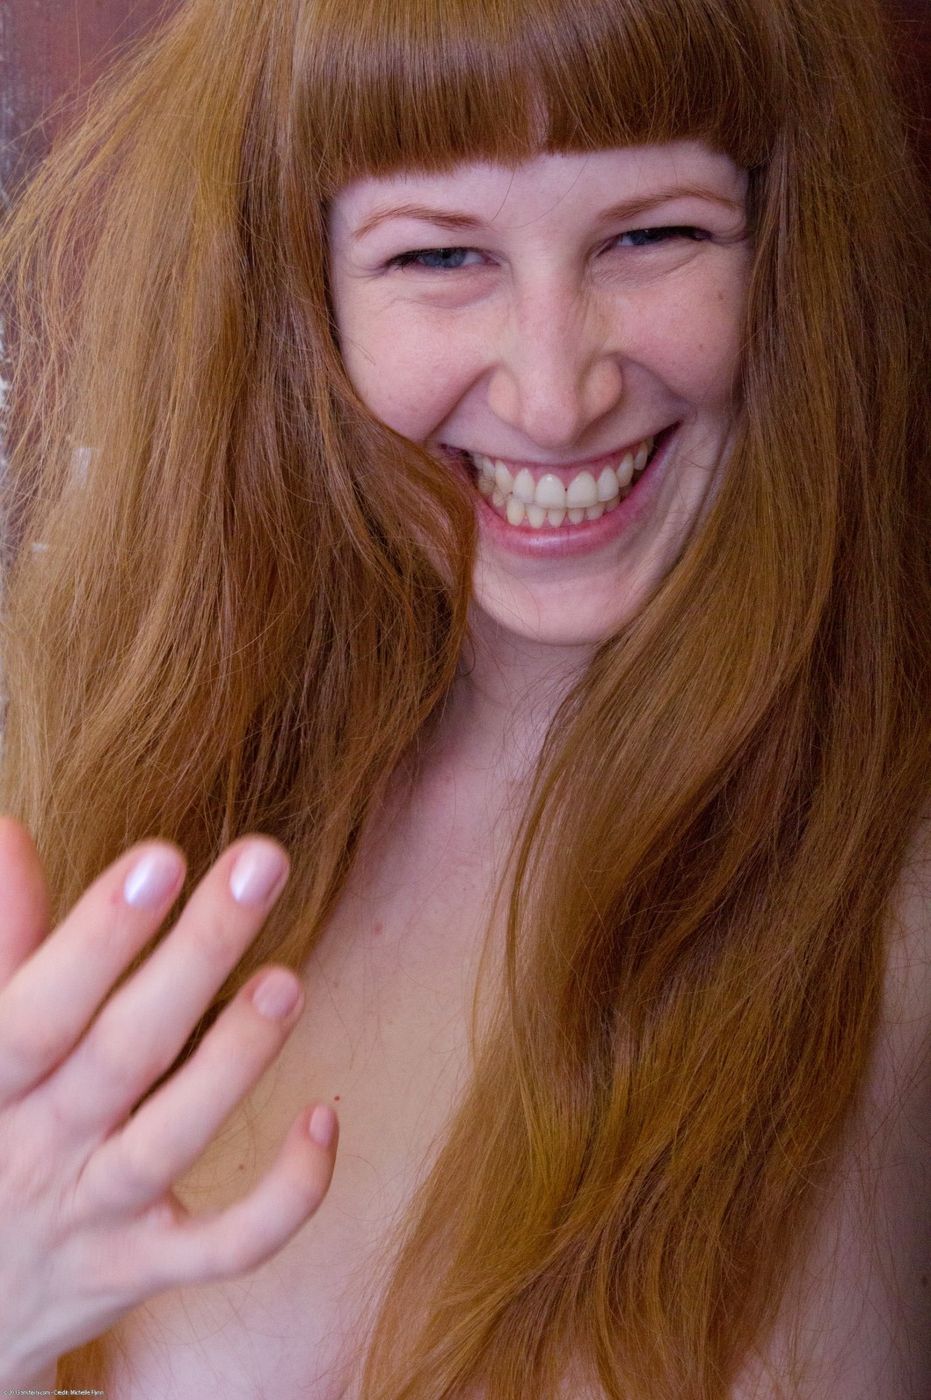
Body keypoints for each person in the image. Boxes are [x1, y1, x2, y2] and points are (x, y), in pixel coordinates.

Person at [0, 0, 927, 1394]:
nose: (556, 393)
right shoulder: (107, 796)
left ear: (789, 249)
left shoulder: (898, 892)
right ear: (298, 295)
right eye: (440, 255)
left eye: (651, 236)